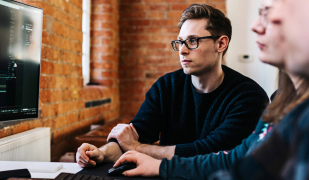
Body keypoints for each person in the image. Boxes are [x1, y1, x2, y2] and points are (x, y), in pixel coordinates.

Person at [112, 0, 309, 179]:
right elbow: (237, 160)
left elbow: (221, 155)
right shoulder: (281, 100)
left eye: (269, 14)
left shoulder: (251, 96)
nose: (255, 26)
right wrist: (104, 153)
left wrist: (143, 152)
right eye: (180, 42)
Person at [76, 4, 269, 167]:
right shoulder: (166, 86)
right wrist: (100, 153)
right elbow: (138, 132)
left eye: (192, 41)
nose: (182, 50)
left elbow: (209, 152)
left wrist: (136, 148)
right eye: (180, 42)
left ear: (221, 44)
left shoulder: (249, 97)